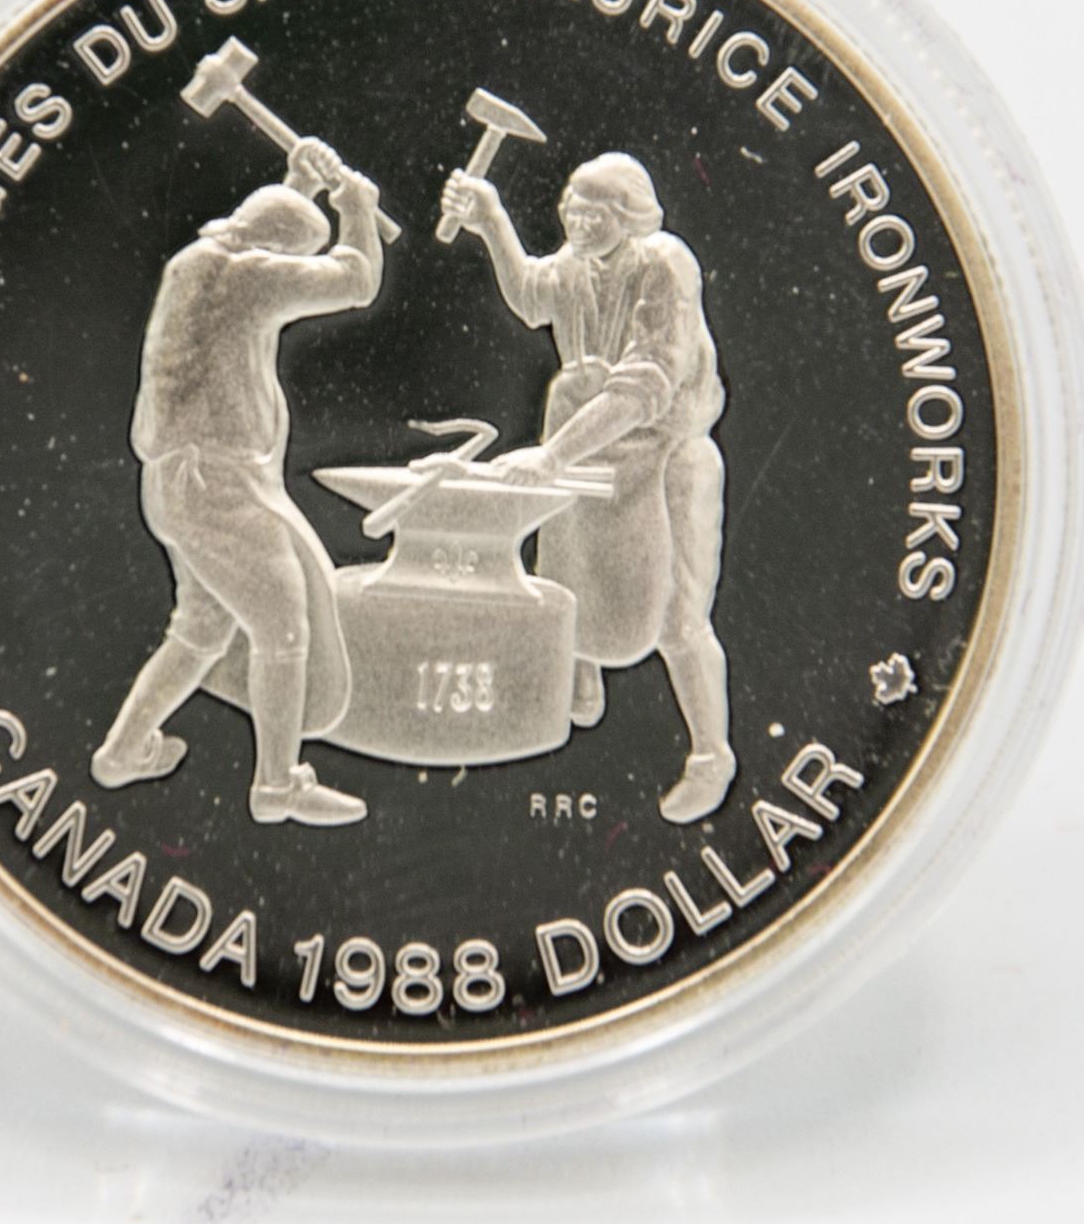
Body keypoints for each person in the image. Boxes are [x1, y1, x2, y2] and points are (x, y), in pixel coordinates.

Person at [92, 137, 383, 826]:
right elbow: (356, 279)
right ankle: (277, 786)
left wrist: (297, 187)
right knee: (284, 629)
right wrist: (358, 208)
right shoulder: (250, 278)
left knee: (201, 628)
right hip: (222, 488)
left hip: (175, 485)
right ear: (276, 251)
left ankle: (123, 751)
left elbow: (267, 239)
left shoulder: (195, 264)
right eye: (294, 256)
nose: (294, 272)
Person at [439, 152, 737, 823]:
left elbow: (645, 386)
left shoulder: (663, 264)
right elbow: (531, 296)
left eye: (592, 210)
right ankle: (578, 693)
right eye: (570, 206)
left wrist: (551, 456)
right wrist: (491, 220)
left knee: (679, 616)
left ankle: (710, 757)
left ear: (626, 214)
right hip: (585, 446)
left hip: (665, 458)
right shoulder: (577, 263)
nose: (575, 219)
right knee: (570, 576)